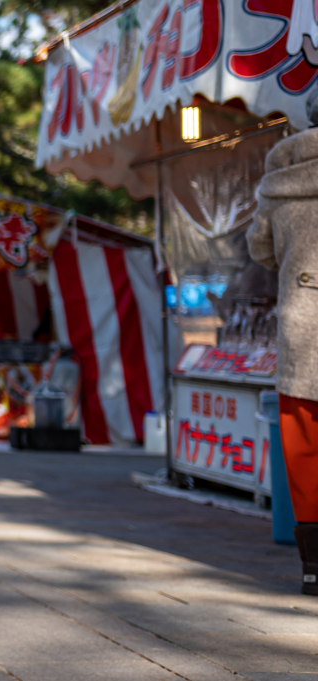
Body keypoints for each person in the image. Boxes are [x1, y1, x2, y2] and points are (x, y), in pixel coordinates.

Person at [247, 88, 318, 595]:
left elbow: (261, 250)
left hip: (303, 328)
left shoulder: (281, 174)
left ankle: (314, 567)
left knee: (305, 451)